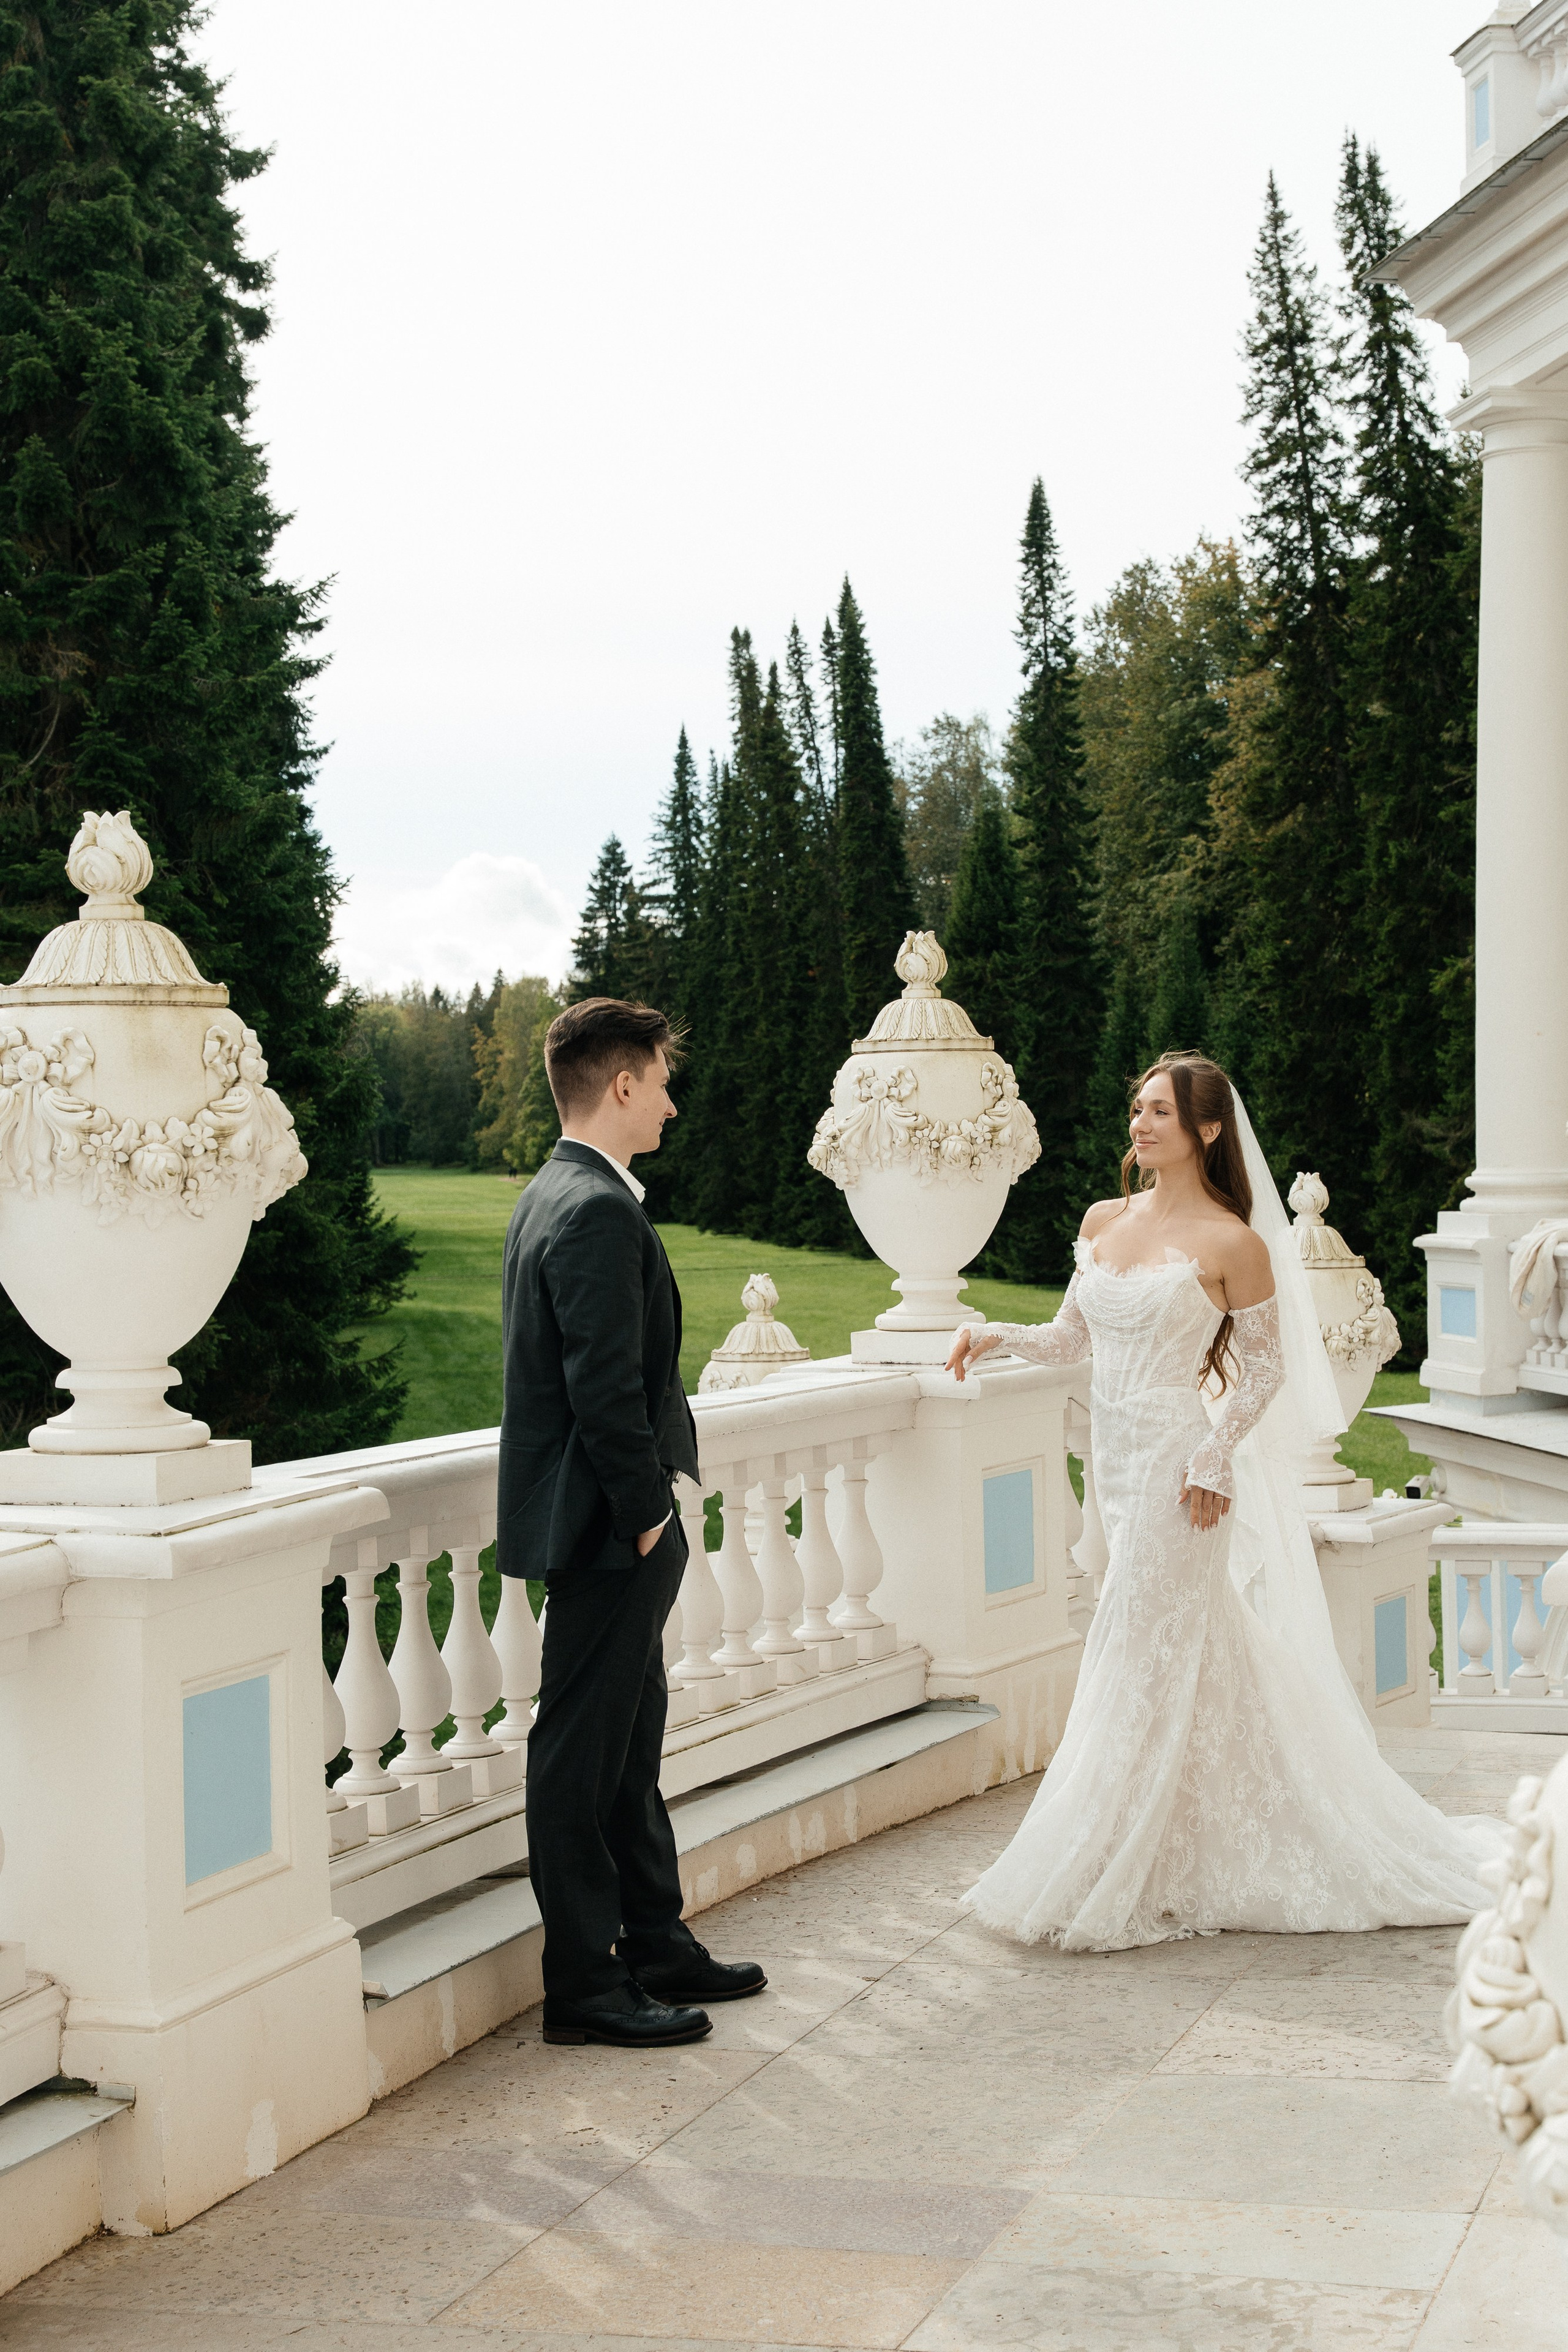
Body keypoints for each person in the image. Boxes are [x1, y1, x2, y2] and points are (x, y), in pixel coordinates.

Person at [946, 1052, 1500, 1952]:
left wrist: (1214, 1451)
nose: (1141, 1123)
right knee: (1188, 1650)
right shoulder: (1103, 1219)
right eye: (1137, 1108)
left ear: (1207, 1129)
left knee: (1134, 1651)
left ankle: (1113, 1854)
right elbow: (1068, 1339)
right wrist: (988, 1333)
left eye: (1160, 1111)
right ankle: (1194, 1838)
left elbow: (1270, 1367)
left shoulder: (1233, 1243)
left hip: (1176, 1471)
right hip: (1116, 1473)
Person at [498, 997, 766, 2044]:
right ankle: (586, 1988)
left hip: (611, 1527)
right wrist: (652, 1513)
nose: (670, 1099)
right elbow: (602, 1388)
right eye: (660, 1079)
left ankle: (656, 1939)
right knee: (579, 1757)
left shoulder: (554, 1193)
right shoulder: (597, 1209)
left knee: (630, 1744)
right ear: (620, 1085)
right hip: (612, 1529)